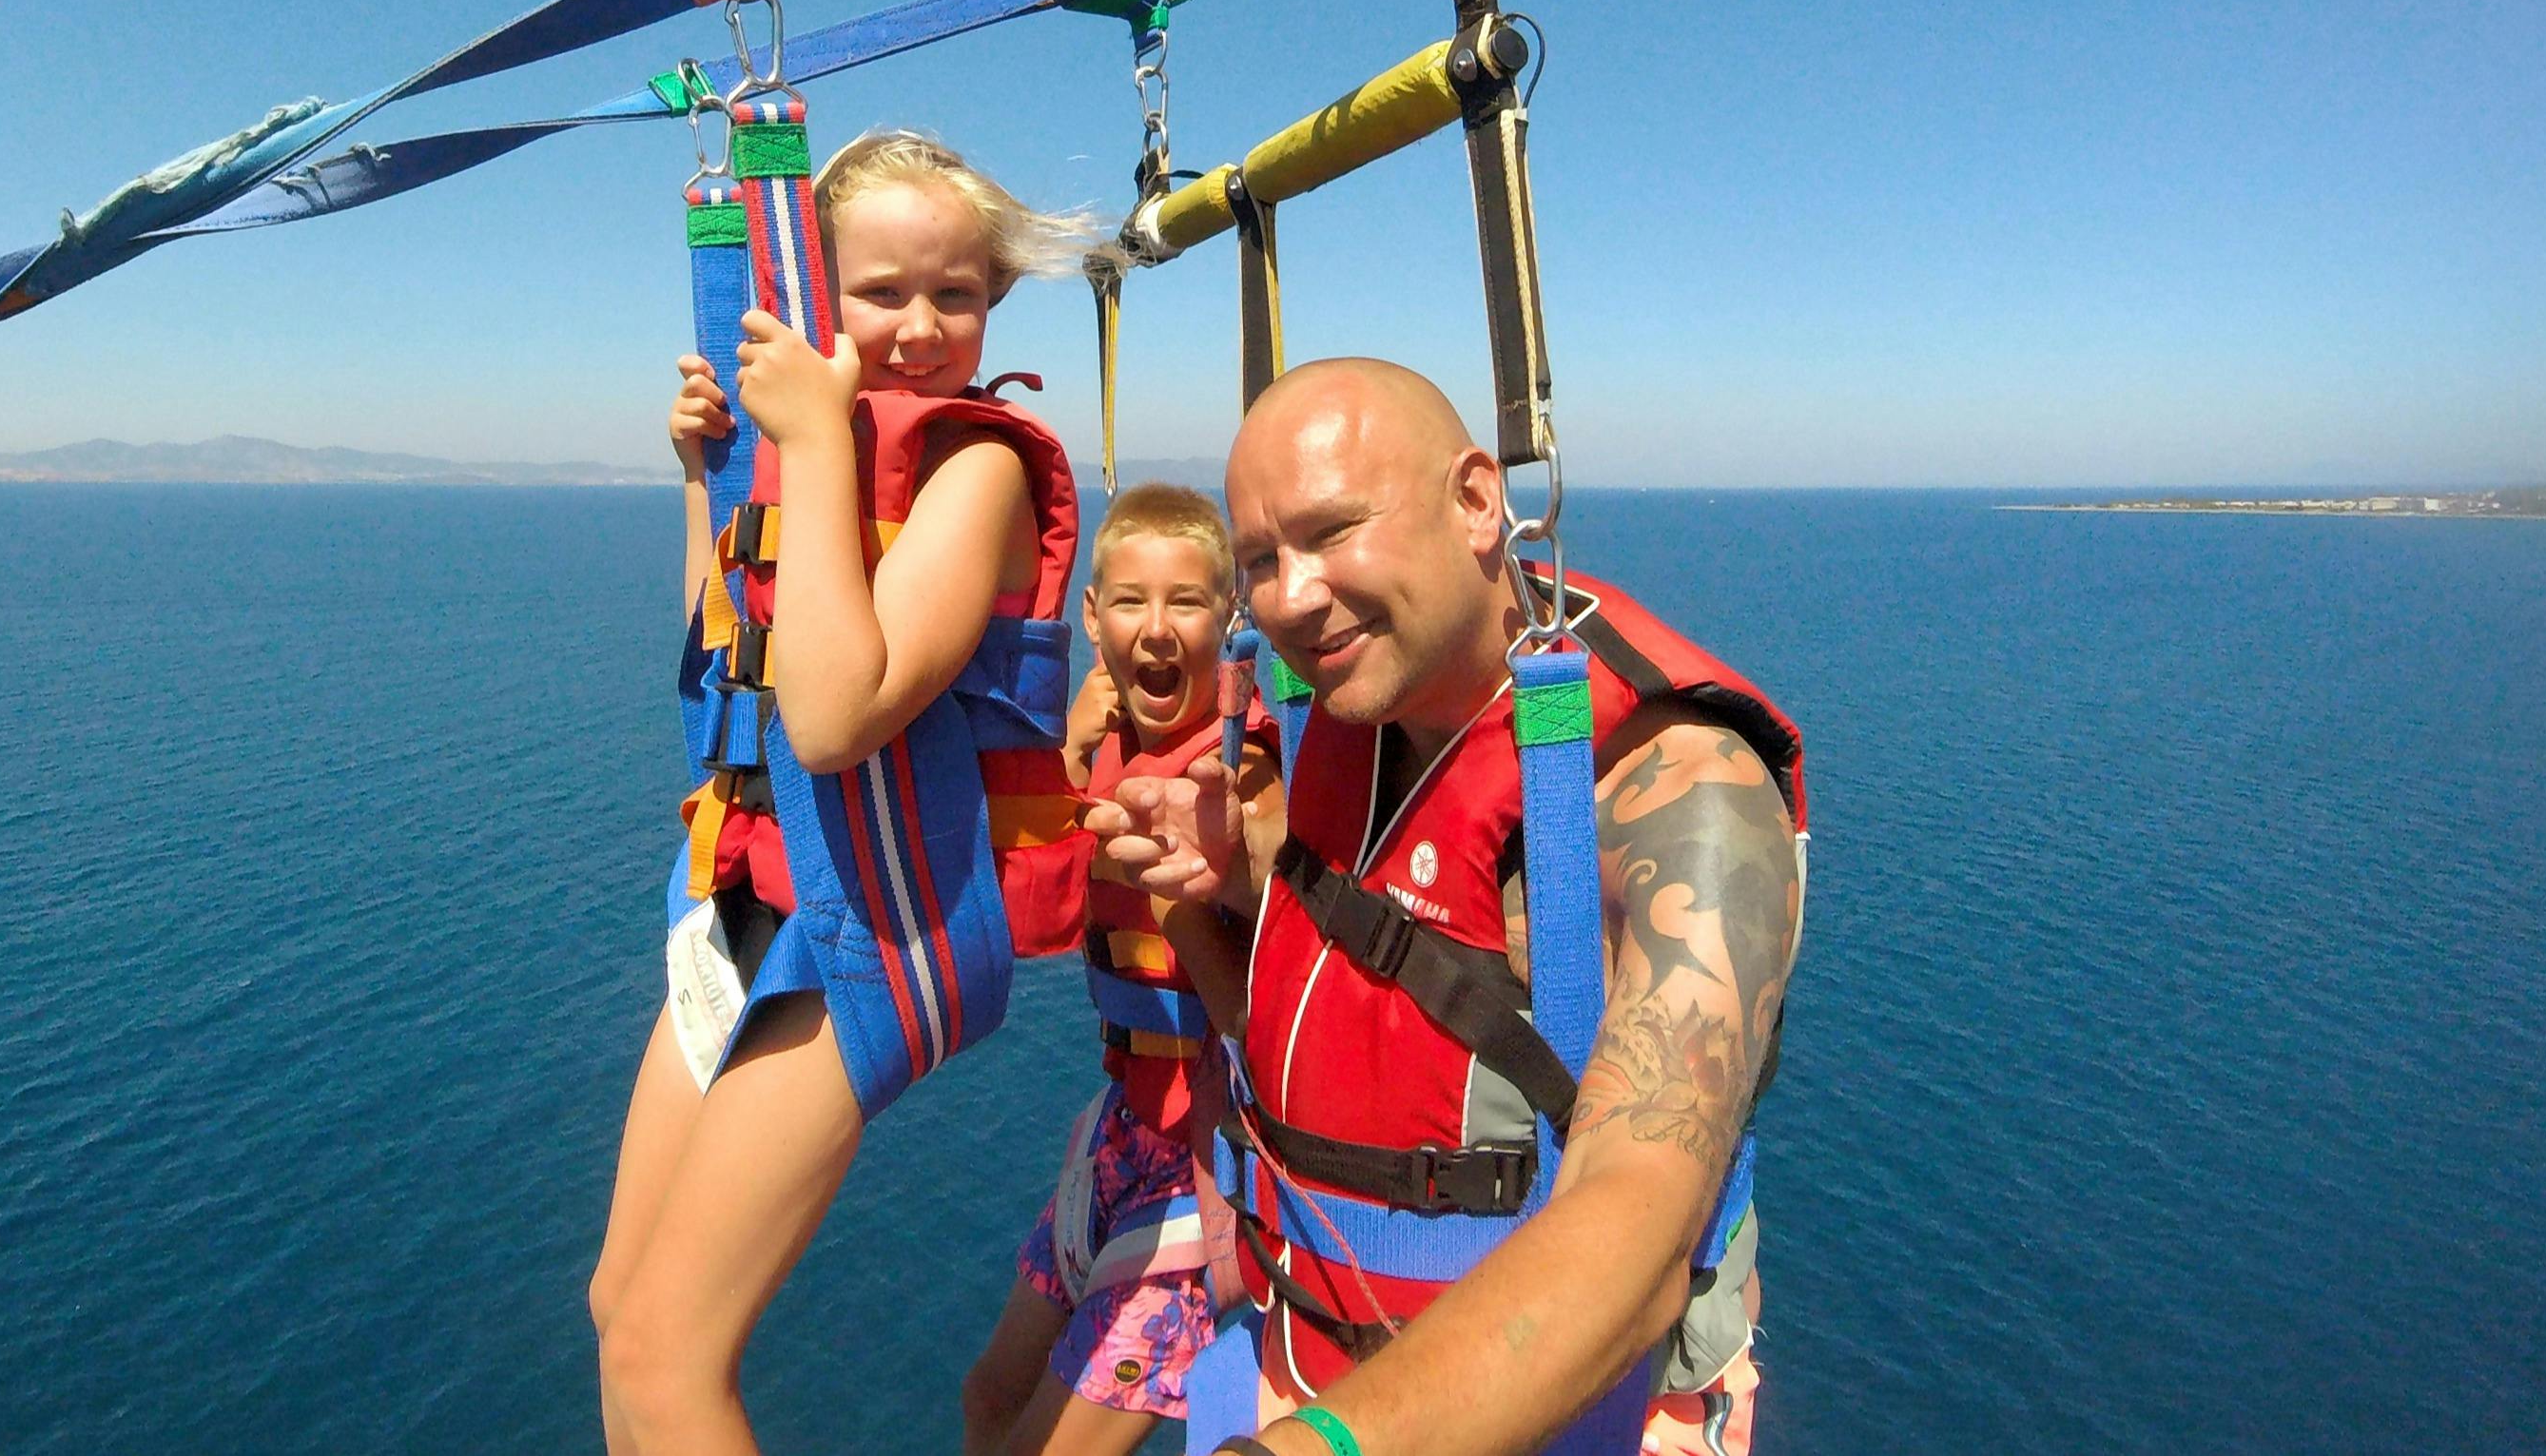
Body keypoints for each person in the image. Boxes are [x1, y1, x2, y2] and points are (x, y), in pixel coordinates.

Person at [1091, 359, 1808, 1456]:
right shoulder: (1342, 727)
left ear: (1478, 500)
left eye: (1332, 531)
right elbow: (1336, 1023)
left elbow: (1639, 1227)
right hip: (1299, 1355)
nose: (1288, 594)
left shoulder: (1676, 795)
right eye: (1260, 561)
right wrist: (1229, 888)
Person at [588, 130, 1093, 1456]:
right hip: (747, 900)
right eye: (883, 293)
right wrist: (713, 476)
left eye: (959, 294)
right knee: (620, 1308)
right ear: (813, 293)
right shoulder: (814, 449)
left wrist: (811, 436)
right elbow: (733, 650)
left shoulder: (970, 469)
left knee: (667, 1355)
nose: (924, 327)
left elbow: (832, 709)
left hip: (873, 926)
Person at [962, 485, 1284, 1456]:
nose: (1157, 627)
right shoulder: (1096, 746)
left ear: (1228, 621)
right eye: (1130, 602)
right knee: (987, 1400)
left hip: (1213, 1159)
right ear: (1092, 619)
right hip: (1123, 1135)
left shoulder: (1241, 769)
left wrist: (1188, 899)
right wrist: (1065, 746)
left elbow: (1269, 1030)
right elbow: (1035, 915)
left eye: (1186, 601)